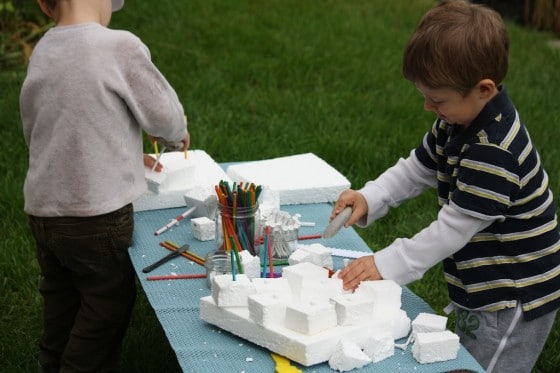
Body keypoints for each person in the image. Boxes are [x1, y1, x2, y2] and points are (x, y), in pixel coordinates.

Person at [332, 1, 560, 371]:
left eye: (437, 99)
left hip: (513, 292)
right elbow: (417, 168)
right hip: (481, 281)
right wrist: (370, 196)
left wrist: (388, 263)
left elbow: (451, 231)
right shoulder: (456, 121)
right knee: (468, 353)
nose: (427, 106)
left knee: (484, 366)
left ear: (484, 89)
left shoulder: (493, 151)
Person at [20, 0, 189, 371]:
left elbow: (52, 125)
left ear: (45, 6)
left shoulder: (44, 51)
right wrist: (177, 135)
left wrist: (124, 153)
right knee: (105, 305)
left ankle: (52, 362)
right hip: (96, 216)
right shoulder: (119, 46)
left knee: (61, 298)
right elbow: (163, 114)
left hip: (45, 212)